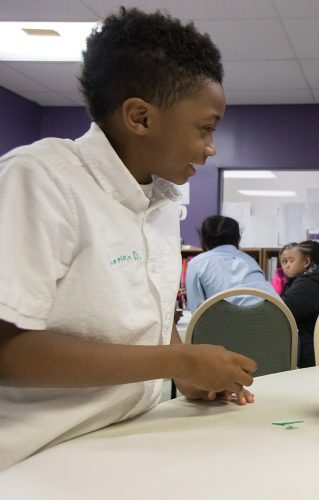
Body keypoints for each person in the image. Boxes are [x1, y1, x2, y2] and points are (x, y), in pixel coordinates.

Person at [0, 7, 256, 471]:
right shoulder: (40, 178)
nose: (211, 147)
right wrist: (177, 363)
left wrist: (187, 366)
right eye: (206, 127)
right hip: (36, 455)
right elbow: (7, 353)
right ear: (140, 117)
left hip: (124, 434)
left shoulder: (159, 196)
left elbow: (136, 319)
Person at [185, 215, 280, 312]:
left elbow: (196, 313)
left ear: (203, 241)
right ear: (238, 240)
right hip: (277, 321)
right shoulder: (251, 261)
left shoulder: (196, 264)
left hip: (230, 324)